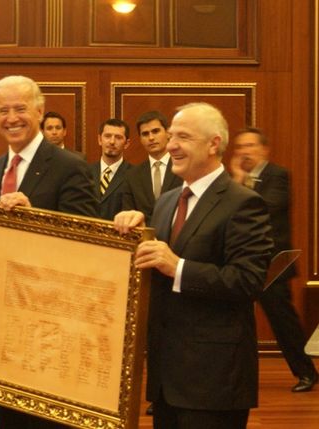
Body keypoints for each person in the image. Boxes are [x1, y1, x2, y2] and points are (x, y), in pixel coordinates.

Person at [114, 102, 273, 429]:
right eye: (171, 136)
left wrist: (179, 268)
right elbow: (155, 268)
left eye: (182, 137)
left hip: (214, 380)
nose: (170, 145)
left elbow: (248, 280)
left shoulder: (243, 203)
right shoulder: (167, 201)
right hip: (165, 380)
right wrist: (131, 237)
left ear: (214, 144)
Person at [0, 75, 97, 428]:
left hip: (53, 322)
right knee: (10, 418)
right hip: (3, 323)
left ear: (40, 111)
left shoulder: (70, 165)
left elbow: (88, 238)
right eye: (3, 111)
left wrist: (36, 219)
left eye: (20, 109)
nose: (11, 118)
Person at [231, 127, 318, 392]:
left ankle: (306, 373)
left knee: (283, 321)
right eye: (240, 147)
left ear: (264, 149)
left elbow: (265, 207)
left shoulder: (277, 175)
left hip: (273, 264)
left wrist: (239, 181)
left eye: (250, 146)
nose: (244, 151)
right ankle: (236, 377)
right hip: (242, 263)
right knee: (235, 321)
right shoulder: (235, 181)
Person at [122, 110, 182, 224]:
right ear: (140, 139)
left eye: (155, 131)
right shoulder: (132, 176)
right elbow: (128, 215)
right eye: (145, 134)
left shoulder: (184, 168)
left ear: (168, 133)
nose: (151, 138)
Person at [88, 118, 132, 220]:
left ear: (126, 144)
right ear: (100, 140)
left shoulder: (134, 175)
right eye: (107, 136)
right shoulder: (85, 172)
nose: (112, 142)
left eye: (118, 137)